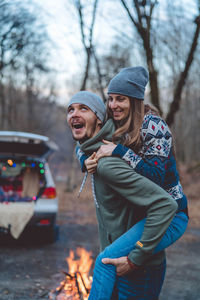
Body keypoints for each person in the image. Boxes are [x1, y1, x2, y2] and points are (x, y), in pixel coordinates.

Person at [76, 68, 189, 299]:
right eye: (110, 98)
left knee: (104, 261)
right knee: (107, 262)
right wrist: (84, 160)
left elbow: (155, 178)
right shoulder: (118, 123)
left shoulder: (154, 126)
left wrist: (119, 151)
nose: (113, 104)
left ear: (135, 100)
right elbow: (85, 141)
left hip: (173, 213)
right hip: (149, 213)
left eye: (121, 98)